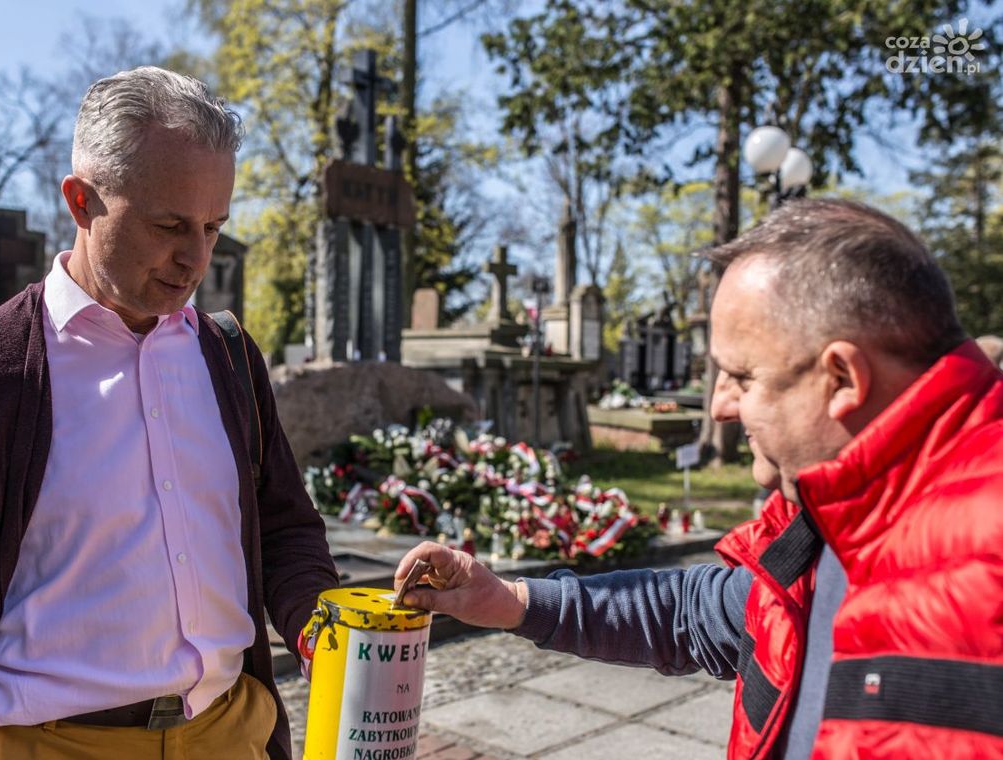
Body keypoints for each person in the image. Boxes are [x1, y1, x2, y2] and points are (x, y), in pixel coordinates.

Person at [395, 199, 1003, 759]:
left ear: (842, 378)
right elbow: (704, 613)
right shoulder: (834, 511)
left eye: (740, 375)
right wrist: (511, 601)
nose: (718, 408)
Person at [0, 67, 337, 760]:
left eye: (213, 226)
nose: (195, 258)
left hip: (230, 733)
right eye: (170, 225)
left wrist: (319, 628)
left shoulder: (228, 358)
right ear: (82, 202)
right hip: (44, 745)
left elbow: (284, 527)